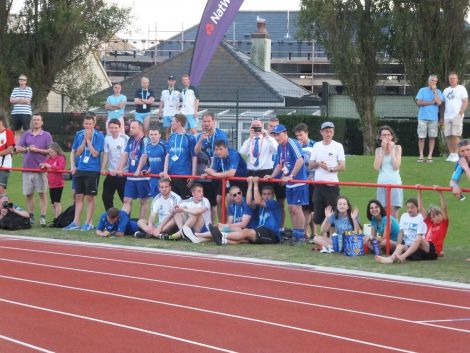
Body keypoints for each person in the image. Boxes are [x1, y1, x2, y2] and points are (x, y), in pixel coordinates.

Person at [266, 124, 309, 245]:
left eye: (278, 134)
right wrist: (272, 176)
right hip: (289, 183)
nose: (276, 137)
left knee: (297, 208)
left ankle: (300, 236)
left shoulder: (292, 143)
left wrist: (292, 176)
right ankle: (295, 235)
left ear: (285, 133)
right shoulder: (280, 147)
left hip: (298, 182)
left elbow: (300, 160)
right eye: (274, 135)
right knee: (291, 209)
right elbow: (280, 165)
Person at [209, 176, 281, 245]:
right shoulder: (260, 204)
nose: (266, 196)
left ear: (273, 195)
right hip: (260, 230)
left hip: (271, 233)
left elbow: (258, 201)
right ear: (261, 195)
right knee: (242, 237)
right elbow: (249, 202)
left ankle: (222, 235)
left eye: (269, 194)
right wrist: (250, 184)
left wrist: (255, 184)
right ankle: (222, 239)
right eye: (264, 194)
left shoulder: (273, 203)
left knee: (245, 232)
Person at [64, 114, 104, 231]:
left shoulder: (99, 136)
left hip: (92, 170)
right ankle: (76, 222)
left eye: (90, 124)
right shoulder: (79, 134)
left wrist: (88, 141)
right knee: (79, 196)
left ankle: (88, 223)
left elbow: (95, 153)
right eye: (86, 124)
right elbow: (77, 153)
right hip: (81, 168)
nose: (87, 126)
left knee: (90, 197)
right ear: (83, 124)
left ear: (94, 124)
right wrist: (83, 141)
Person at [16, 114, 52, 226]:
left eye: (38, 120)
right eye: (34, 120)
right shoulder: (27, 134)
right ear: (32, 121)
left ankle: (43, 217)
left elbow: (51, 150)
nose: (36, 122)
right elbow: (17, 148)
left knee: (42, 193)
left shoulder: (46, 135)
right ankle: (31, 216)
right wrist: (27, 148)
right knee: (29, 194)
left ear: (42, 122)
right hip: (27, 169)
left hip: (40, 169)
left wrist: (37, 150)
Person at [309, 121, 346, 234]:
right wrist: (319, 164)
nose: (328, 134)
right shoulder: (316, 145)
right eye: (326, 131)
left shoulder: (338, 146)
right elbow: (311, 165)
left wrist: (329, 168)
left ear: (333, 133)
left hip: (332, 185)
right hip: (318, 185)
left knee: (333, 212)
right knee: (318, 215)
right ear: (321, 132)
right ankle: (324, 236)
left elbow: (342, 166)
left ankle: (333, 237)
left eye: (330, 131)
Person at [195, 111, 228, 219]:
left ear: (213, 122)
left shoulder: (220, 135)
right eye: (204, 121)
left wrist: (212, 169)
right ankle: (211, 226)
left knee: (219, 201)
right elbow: (196, 152)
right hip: (206, 173)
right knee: (209, 202)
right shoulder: (200, 136)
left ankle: (222, 225)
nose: (206, 124)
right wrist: (200, 141)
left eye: (209, 121)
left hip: (218, 172)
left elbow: (220, 154)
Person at [203, 140, 248, 220]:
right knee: (219, 199)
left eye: (220, 149)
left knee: (232, 198)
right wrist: (208, 173)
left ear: (226, 149)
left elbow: (231, 173)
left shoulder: (234, 154)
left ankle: (234, 221)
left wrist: (214, 174)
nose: (218, 152)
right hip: (227, 179)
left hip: (241, 179)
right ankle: (222, 223)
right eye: (216, 149)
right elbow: (214, 170)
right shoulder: (217, 156)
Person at [116, 120, 150, 219]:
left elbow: (144, 155)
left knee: (143, 201)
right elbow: (125, 154)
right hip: (131, 177)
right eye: (130, 127)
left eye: (133, 128)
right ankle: (122, 224)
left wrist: (138, 170)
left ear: (140, 128)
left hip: (142, 177)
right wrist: (120, 168)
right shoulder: (130, 140)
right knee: (126, 199)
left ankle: (141, 225)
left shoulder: (145, 140)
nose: (130, 129)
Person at [375, 197, 426, 264]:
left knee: (401, 247)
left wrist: (419, 192)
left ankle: (390, 259)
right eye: (408, 208)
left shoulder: (421, 217)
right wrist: (398, 246)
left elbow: (421, 208)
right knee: (394, 244)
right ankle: (394, 256)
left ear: (417, 208)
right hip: (405, 245)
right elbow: (401, 232)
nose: (409, 210)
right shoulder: (404, 216)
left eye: (412, 208)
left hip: (416, 247)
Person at [161, 114, 197, 200]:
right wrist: (165, 172)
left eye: (173, 121)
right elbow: (168, 155)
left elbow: (194, 157)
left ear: (179, 123)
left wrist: (193, 175)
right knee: (174, 203)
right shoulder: (171, 137)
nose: (171, 124)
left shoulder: (189, 137)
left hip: (184, 175)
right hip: (171, 176)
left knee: (186, 202)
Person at [373, 125, 403, 218]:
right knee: (382, 212)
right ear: (380, 137)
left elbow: (396, 166)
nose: (386, 137)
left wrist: (391, 151)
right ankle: (384, 232)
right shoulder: (378, 150)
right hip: (381, 184)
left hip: (395, 183)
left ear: (392, 136)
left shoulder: (397, 148)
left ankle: (394, 232)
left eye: (388, 134)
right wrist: (383, 150)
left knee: (394, 213)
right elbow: (376, 167)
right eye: (384, 135)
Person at [100, 118, 129, 211]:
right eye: (111, 128)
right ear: (108, 128)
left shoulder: (125, 138)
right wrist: (103, 168)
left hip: (122, 173)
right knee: (106, 196)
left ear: (120, 128)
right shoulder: (107, 138)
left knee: (125, 199)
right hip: (111, 173)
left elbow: (123, 156)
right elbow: (106, 153)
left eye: (115, 127)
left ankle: (125, 219)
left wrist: (117, 170)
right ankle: (111, 217)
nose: (113, 130)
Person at [294, 123, 316, 238]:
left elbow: (317, 163)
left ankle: (313, 232)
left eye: (301, 135)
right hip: (300, 181)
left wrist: (312, 177)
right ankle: (304, 232)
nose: (299, 137)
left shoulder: (315, 145)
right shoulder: (296, 146)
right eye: (297, 135)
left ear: (306, 133)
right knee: (304, 208)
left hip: (312, 181)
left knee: (312, 208)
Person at [415, 75, 444, 163]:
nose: (434, 82)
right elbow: (418, 102)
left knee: (432, 137)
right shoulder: (422, 90)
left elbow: (439, 103)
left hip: (433, 118)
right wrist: (431, 102)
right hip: (422, 117)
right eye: (432, 80)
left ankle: (430, 156)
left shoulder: (438, 91)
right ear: (428, 81)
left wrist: (435, 91)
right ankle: (421, 155)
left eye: (435, 81)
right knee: (421, 137)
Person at [443, 72, 468, 162]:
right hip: (447, 116)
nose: (452, 80)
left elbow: (465, 102)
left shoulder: (461, 88)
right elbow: (443, 104)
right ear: (449, 80)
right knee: (448, 135)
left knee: (456, 135)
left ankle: (457, 155)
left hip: (457, 116)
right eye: (451, 78)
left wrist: (460, 114)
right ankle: (452, 154)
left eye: (454, 78)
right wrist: (442, 117)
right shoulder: (445, 90)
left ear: (457, 79)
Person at [40, 142, 66, 220]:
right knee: (53, 204)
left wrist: (50, 166)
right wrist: (43, 166)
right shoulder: (50, 159)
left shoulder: (61, 158)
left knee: (57, 203)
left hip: (58, 184)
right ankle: (56, 218)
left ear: (56, 150)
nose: (50, 154)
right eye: (49, 152)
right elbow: (46, 166)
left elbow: (61, 167)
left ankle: (58, 219)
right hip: (51, 184)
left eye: (52, 152)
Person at [145, 124, 167, 197]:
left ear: (159, 135)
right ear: (148, 135)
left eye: (155, 134)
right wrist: (148, 170)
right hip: (153, 177)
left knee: (164, 198)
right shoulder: (147, 146)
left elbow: (169, 161)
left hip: (164, 177)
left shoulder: (164, 145)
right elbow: (149, 161)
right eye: (151, 134)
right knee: (155, 199)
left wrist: (165, 172)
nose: (153, 136)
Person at [10, 74, 33, 145]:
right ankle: (16, 148)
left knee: (27, 131)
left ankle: (29, 146)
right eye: (20, 79)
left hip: (25, 113)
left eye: (23, 80)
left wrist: (16, 100)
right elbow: (11, 100)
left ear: (26, 81)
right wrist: (21, 98)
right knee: (16, 131)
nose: (21, 81)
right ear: (18, 81)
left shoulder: (29, 89)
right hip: (15, 113)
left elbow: (27, 100)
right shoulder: (15, 89)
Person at [159, 75, 180, 140]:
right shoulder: (164, 91)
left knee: (175, 130)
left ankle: (174, 142)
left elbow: (182, 101)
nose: (171, 82)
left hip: (175, 114)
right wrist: (160, 111)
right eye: (170, 81)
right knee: (167, 130)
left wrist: (180, 108)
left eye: (172, 81)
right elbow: (162, 102)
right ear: (168, 81)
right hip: (166, 113)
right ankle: (168, 144)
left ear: (175, 82)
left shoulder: (178, 91)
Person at [0, 112, 15, 194]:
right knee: (2, 192)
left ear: (1, 121)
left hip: (4, 166)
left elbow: (10, 149)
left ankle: (9, 207)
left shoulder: (8, 133)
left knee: (1, 190)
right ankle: (8, 206)